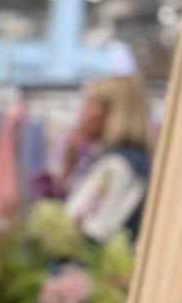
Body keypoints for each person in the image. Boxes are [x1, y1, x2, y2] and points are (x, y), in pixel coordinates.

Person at [64, 74, 152, 242]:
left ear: (114, 111)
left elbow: (89, 231)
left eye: (90, 104)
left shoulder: (118, 166)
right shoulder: (120, 161)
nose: (82, 113)